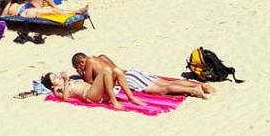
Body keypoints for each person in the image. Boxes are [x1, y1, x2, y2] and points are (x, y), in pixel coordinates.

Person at [73, 52, 212, 99]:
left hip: (129, 79)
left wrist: (82, 74)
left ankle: (193, 90)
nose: (81, 69)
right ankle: (199, 85)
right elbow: (117, 68)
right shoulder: (101, 56)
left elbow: (90, 82)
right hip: (132, 73)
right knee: (165, 82)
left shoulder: (90, 61)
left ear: (81, 61)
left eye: (79, 67)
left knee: (163, 89)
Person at [42, 69, 126, 110]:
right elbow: (65, 98)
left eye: (56, 75)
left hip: (96, 90)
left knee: (116, 71)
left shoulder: (69, 80)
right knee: (104, 72)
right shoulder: (58, 89)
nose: (58, 77)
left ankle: (131, 98)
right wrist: (65, 81)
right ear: (52, 86)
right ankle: (114, 102)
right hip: (90, 95)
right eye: (54, 78)